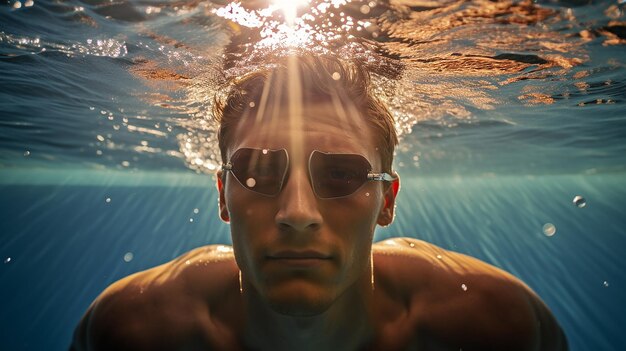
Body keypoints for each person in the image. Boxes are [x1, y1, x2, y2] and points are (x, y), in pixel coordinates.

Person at [70, 55, 568, 351]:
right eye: (259, 172)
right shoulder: (135, 329)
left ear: (386, 200)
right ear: (223, 193)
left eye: (341, 174)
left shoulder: (491, 324)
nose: (298, 214)